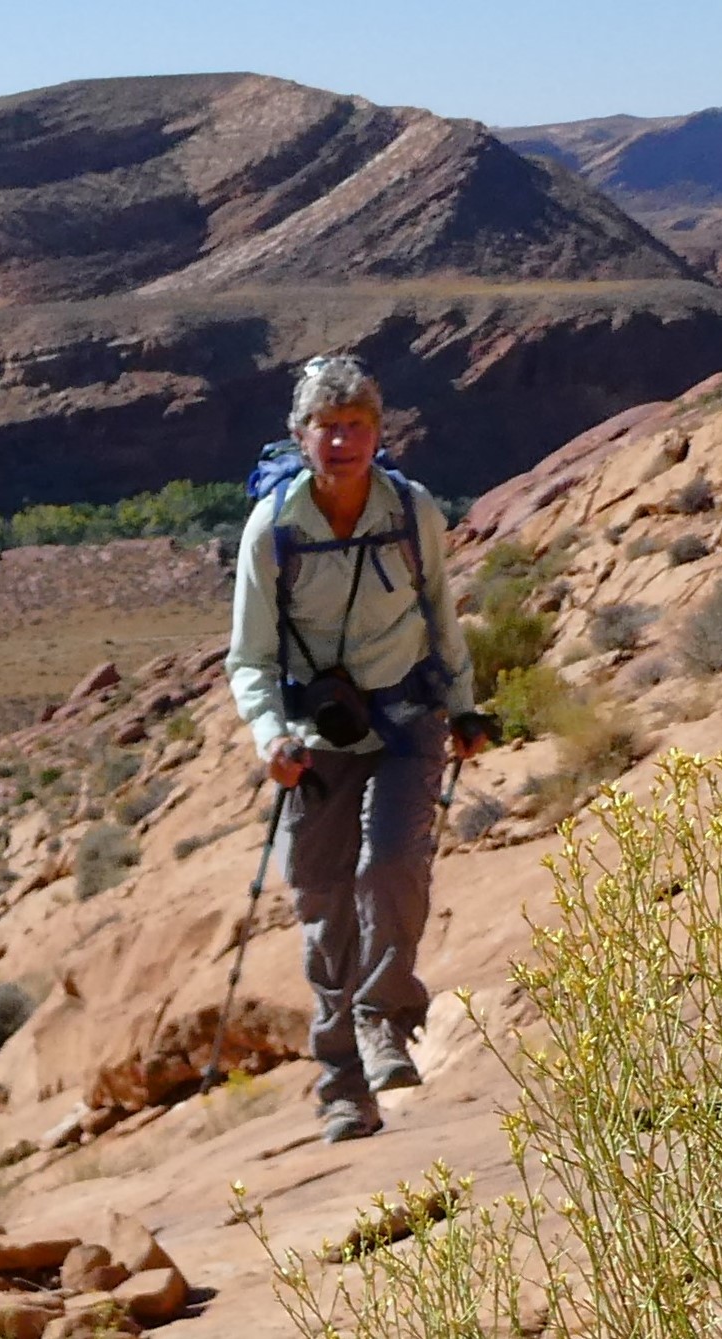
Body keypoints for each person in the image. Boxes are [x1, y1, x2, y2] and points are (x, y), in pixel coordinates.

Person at [226, 355, 485, 1143]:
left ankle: (383, 1018)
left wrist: (464, 706)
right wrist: (270, 735)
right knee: (323, 903)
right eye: (326, 428)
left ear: (377, 432)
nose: (341, 442)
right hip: (317, 734)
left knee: (392, 863)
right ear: (299, 436)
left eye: (355, 426)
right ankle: (342, 1084)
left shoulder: (410, 510)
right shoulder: (273, 529)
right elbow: (249, 657)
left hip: (407, 715)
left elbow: (441, 612)